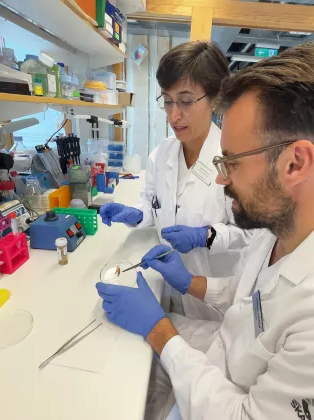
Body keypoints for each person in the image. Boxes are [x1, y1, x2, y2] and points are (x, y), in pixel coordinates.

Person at [96, 44, 314, 419]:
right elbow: (250, 303)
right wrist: (186, 285)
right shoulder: (278, 231)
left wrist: (161, 331)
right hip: (220, 366)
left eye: (231, 161)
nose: (221, 177)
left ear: (295, 163)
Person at [100, 41, 252, 323]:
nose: (173, 115)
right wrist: (136, 213)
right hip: (167, 284)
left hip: (214, 298)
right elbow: (152, 200)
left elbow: (249, 234)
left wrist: (204, 236)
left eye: (185, 101)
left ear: (215, 99)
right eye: (168, 100)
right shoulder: (162, 154)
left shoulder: (235, 160)